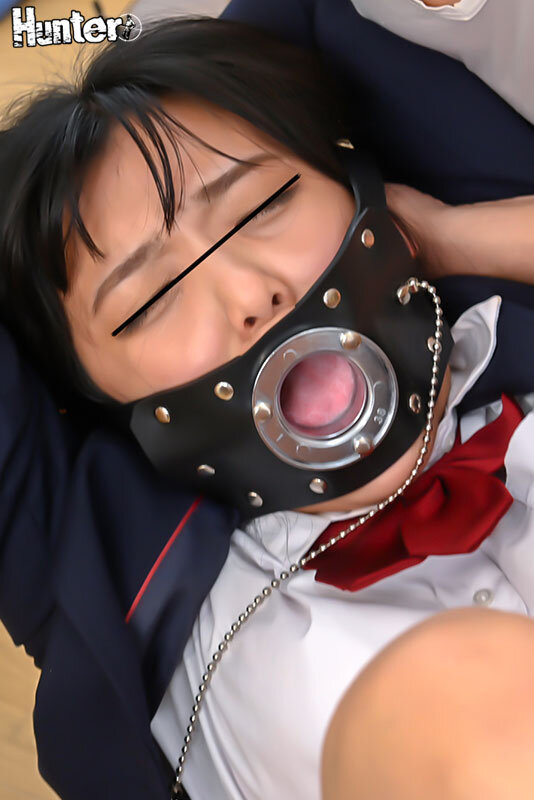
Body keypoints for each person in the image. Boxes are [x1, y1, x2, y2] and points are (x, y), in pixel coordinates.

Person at [1, 12, 534, 800]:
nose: (251, 296)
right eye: (148, 300)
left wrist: (457, 237)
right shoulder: (98, 571)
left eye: (261, 207)